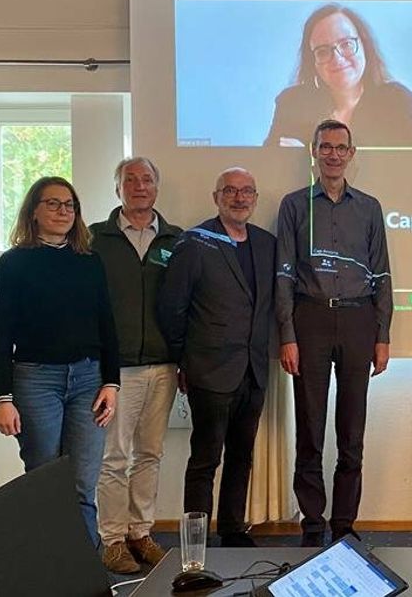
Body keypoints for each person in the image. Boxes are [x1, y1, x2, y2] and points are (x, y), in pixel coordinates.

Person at [276, 119, 393, 546]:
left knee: (352, 429)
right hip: (310, 319)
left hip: (359, 320)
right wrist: (287, 335)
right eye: (325, 147)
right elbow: (283, 275)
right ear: (314, 152)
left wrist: (383, 335)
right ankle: (312, 523)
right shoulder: (293, 205)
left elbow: (382, 272)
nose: (333, 154)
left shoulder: (369, 207)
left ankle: (344, 524)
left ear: (351, 153)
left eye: (340, 147)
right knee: (310, 427)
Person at [0, 176, 119, 548]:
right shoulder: (13, 264)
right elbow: (0, 338)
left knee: (82, 483)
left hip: (88, 382)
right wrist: (3, 399)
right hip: (34, 382)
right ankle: (47, 572)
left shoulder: (89, 261)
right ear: (33, 211)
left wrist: (111, 382)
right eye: (53, 203)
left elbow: (107, 326)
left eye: (70, 205)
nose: (63, 211)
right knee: (44, 481)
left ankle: (86, 575)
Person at [157, 167, 275, 548]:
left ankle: (232, 529)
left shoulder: (266, 244)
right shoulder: (195, 242)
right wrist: (183, 360)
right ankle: (197, 542)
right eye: (230, 191)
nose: (239, 198)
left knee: (242, 456)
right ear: (216, 197)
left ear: (255, 199)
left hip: (254, 370)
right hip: (209, 371)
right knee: (205, 461)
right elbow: (173, 307)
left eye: (247, 192)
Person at [91, 157, 182, 573]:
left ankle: (140, 533)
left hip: (164, 366)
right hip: (116, 371)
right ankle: (111, 539)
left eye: (147, 179)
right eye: (130, 180)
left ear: (157, 188)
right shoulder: (95, 239)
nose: (140, 186)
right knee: (113, 457)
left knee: (149, 454)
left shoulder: (175, 240)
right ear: (118, 189)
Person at [265, 3, 412, 148]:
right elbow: (266, 168)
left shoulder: (398, 100)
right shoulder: (291, 103)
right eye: (323, 51)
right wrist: (291, 160)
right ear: (313, 62)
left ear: (365, 46)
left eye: (346, 44)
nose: (337, 59)